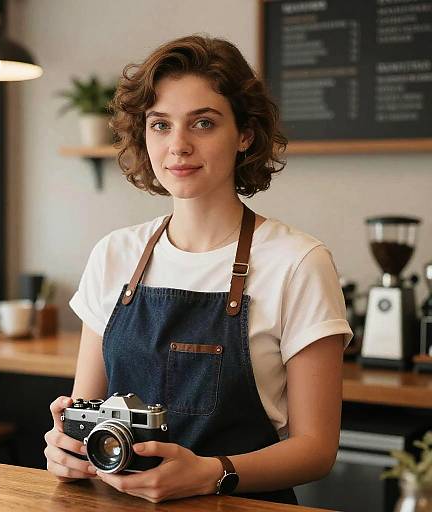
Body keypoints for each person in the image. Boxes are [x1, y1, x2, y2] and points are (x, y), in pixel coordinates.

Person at [44, 35, 353, 504]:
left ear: (245, 134)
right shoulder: (114, 255)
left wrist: (212, 473)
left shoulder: (298, 262)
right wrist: (67, 450)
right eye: (160, 125)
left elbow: (315, 450)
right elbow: (88, 415)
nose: (179, 146)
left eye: (203, 123)